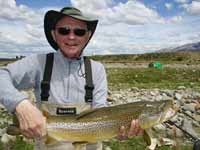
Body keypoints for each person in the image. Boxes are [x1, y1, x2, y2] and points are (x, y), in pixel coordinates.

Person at [0, 6, 143, 150]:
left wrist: (116, 131)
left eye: (79, 32)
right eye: (64, 30)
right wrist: (21, 105)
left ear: (87, 36)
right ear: (54, 34)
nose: (71, 37)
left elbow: (101, 112)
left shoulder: (97, 69)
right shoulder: (38, 63)